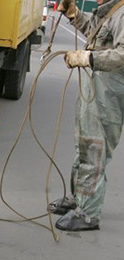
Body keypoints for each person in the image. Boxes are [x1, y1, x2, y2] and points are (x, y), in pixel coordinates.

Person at [48, 0, 124, 231]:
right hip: (97, 89)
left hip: (110, 94)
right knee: (84, 143)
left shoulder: (122, 13)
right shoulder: (110, 12)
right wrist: (74, 14)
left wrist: (88, 58)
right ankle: (78, 197)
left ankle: (88, 213)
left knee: (94, 148)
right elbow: (95, 35)